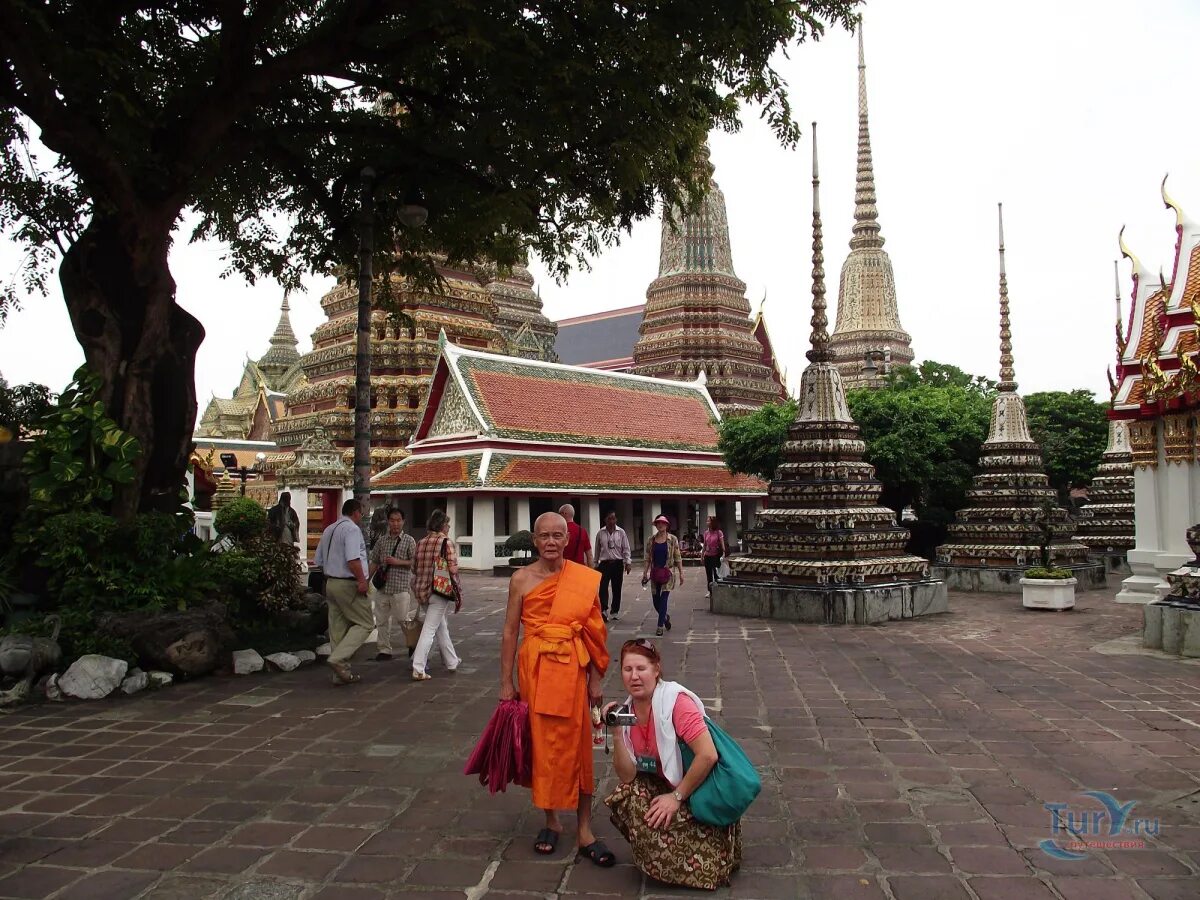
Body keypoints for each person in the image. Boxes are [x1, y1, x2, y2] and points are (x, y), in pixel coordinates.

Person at [501, 512, 613, 866]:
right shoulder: (520, 579)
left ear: (568, 539)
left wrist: (596, 678)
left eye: (557, 536)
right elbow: (509, 632)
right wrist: (506, 682)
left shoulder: (582, 579)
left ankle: (584, 828)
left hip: (572, 670)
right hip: (534, 671)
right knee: (543, 746)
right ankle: (550, 820)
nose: (551, 542)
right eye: (544, 536)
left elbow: (595, 631)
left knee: (579, 748)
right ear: (534, 540)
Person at [603, 639, 741, 890]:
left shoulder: (676, 703)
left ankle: (703, 857)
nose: (634, 676)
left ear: (656, 669)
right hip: (666, 781)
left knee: (666, 826)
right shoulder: (628, 710)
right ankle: (662, 855)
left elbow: (708, 755)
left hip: (696, 787)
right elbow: (627, 775)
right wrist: (615, 732)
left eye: (641, 668)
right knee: (627, 796)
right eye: (627, 669)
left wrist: (676, 797)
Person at [313, 498, 371, 685]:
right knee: (365, 623)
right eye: (360, 513)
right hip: (348, 583)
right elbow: (353, 560)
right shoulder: (352, 530)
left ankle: (341, 673)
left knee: (337, 628)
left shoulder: (329, 529)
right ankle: (339, 658)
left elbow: (319, 561)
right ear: (355, 512)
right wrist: (362, 580)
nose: (361, 517)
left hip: (331, 582)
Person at [411, 509, 462, 680]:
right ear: (442, 525)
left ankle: (451, 661)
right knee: (430, 629)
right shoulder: (445, 542)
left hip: (421, 590)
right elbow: (453, 568)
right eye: (447, 524)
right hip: (439, 590)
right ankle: (418, 666)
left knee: (441, 627)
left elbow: (414, 568)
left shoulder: (421, 542)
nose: (448, 527)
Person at [368, 507, 418, 661]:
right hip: (383, 587)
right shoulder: (382, 541)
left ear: (403, 522)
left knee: (403, 619)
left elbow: (415, 563)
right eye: (392, 520)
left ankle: (413, 646)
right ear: (388, 522)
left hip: (400, 587)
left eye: (398, 520)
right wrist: (366, 579)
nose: (395, 524)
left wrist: (398, 562)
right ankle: (384, 649)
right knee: (381, 620)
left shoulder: (409, 541)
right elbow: (375, 561)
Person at [641, 514, 683, 637]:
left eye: (663, 523)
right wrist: (645, 573)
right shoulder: (651, 540)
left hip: (668, 572)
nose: (660, 525)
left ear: (666, 525)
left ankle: (660, 626)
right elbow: (647, 558)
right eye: (658, 523)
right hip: (655, 572)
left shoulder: (673, 539)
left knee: (664, 598)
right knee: (655, 600)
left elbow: (677, 556)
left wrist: (681, 573)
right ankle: (664, 617)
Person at [594, 510, 632, 622]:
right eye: (609, 518)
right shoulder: (600, 533)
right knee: (603, 587)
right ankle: (604, 609)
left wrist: (628, 562)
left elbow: (626, 548)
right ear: (605, 520)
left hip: (617, 563)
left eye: (613, 518)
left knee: (617, 587)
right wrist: (595, 563)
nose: (612, 521)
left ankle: (615, 611)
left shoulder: (621, 532)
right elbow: (597, 549)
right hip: (605, 563)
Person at [702, 515, 727, 599]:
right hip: (707, 556)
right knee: (709, 575)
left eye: (708, 521)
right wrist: (702, 556)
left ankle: (718, 589)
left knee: (716, 574)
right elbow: (704, 545)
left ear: (713, 523)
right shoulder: (706, 533)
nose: (707, 522)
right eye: (707, 521)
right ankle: (710, 591)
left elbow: (722, 545)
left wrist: (723, 554)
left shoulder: (718, 532)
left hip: (716, 556)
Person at [559, 503, 592, 567]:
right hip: (579, 569)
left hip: (563, 568)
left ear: (564, 514)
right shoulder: (582, 531)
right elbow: (589, 556)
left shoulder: (559, 531)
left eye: (559, 514)